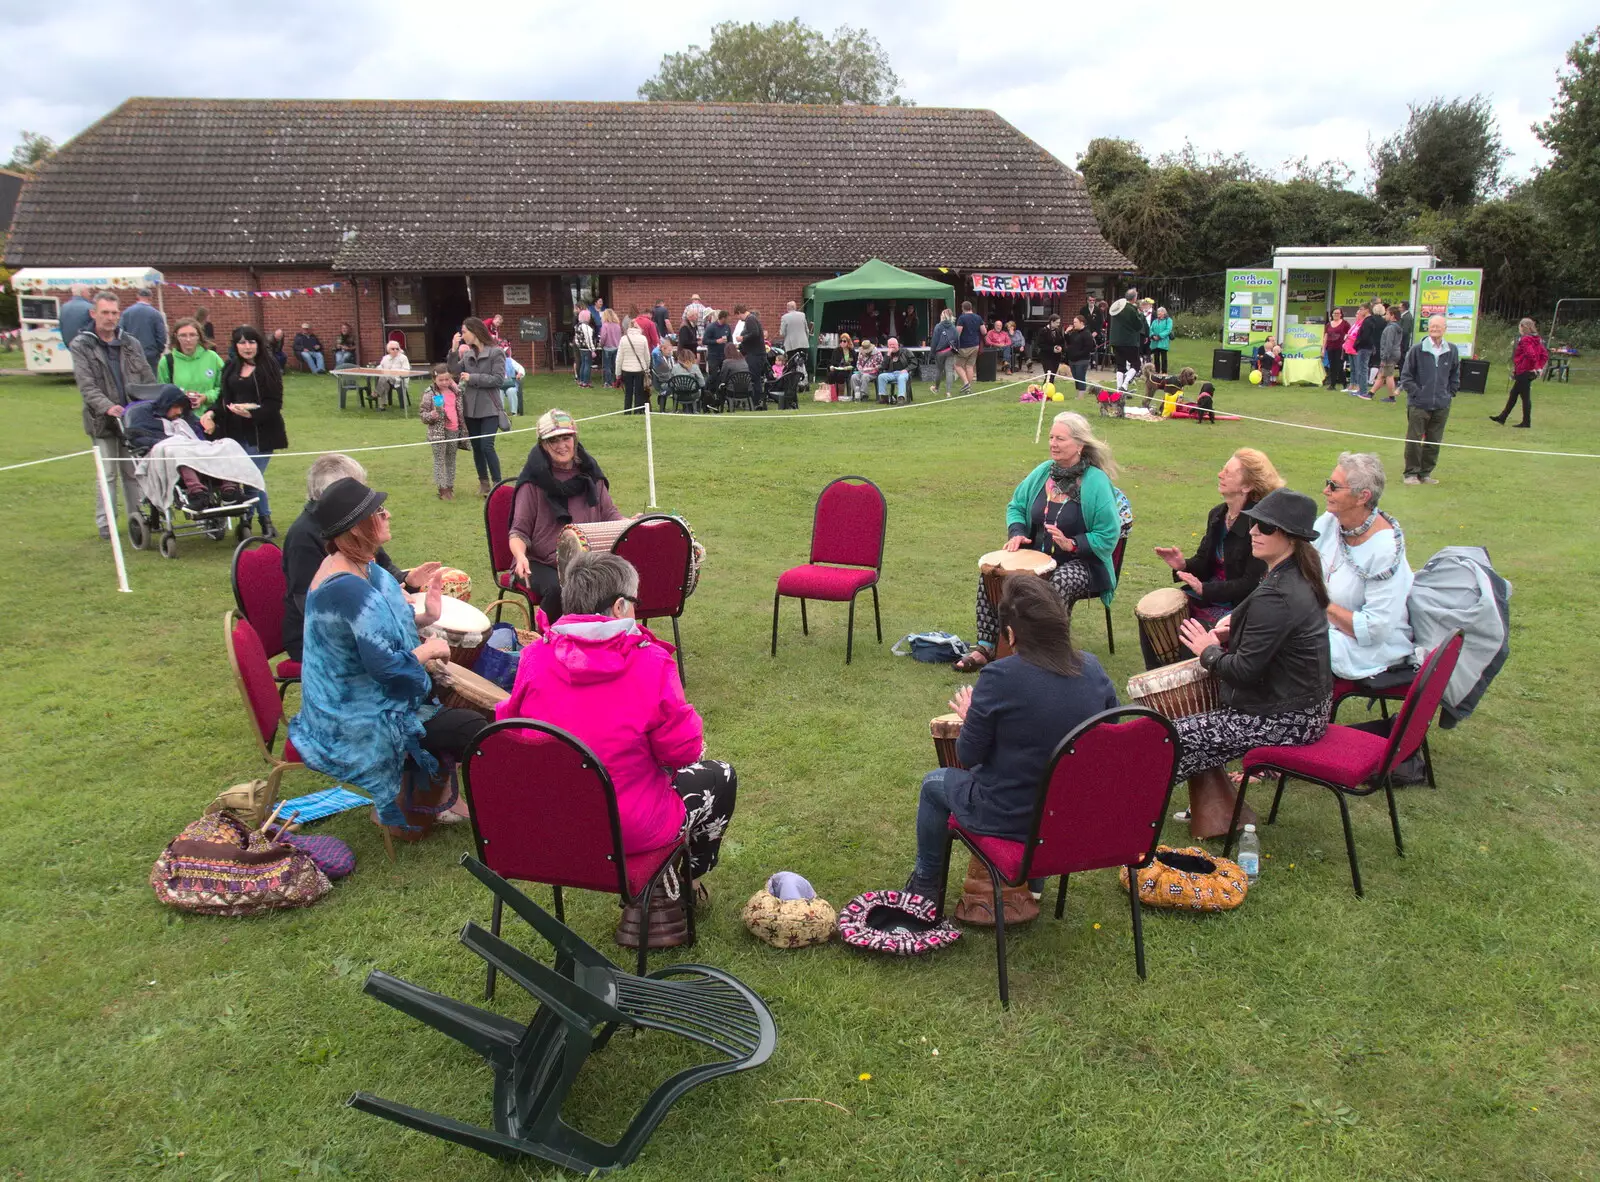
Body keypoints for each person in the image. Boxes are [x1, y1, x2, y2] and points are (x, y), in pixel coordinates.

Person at [496, 552, 737, 915]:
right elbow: (683, 751)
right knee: (720, 776)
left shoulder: (534, 656)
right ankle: (681, 883)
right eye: (636, 602)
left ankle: (663, 887)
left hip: (551, 823)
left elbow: (511, 732)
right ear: (620, 606)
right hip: (630, 827)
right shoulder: (650, 662)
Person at [903, 576, 1120, 899]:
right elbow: (1109, 732)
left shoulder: (999, 677)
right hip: (1071, 815)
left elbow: (968, 755)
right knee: (1044, 777)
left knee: (934, 784)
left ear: (1011, 633)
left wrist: (972, 716)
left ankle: (925, 884)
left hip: (1011, 816)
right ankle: (1034, 886)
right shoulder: (1092, 667)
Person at [287, 478, 475, 841]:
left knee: (459, 700)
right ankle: (431, 801)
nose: (387, 514)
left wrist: (426, 616)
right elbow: (387, 667)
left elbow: (379, 629)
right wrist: (430, 648)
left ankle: (427, 797)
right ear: (357, 527)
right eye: (378, 511)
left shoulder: (360, 567)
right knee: (473, 730)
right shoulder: (346, 587)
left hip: (369, 694)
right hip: (353, 714)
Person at [1172, 488, 1333, 839]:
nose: (1253, 532)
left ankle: (1130, 812)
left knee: (1171, 737)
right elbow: (1277, 640)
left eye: (1265, 527)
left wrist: (1208, 651)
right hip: (1306, 710)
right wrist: (1237, 629)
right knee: (1187, 728)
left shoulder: (1280, 593)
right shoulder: (1294, 575)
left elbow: (1244, 672)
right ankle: (1217, 811)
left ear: (1291, 537)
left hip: (1284, 720)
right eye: (1253, 523)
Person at [954, 412, 1122, 672]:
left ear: (1079, 445)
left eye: (1061, 439)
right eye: (1051, 437)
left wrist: (1074, 544)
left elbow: (1109, 533)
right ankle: (986, 646)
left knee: (1059, 582)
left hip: (1083, 562)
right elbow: (1016, 505)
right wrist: (1018, 532)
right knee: (992, 572)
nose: (1053, 443)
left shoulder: (1096, 482)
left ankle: (1047, 653)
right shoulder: (1043, 473)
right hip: (1037, 555)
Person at [282, 453, 433, 663]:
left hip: (360, 622)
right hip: (321, 639)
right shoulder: (304, 538)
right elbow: (309, 606)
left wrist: (408, 581)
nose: (366, 496)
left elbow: (382, 568)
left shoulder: (355, 531)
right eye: (358, 490)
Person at [1149, 448, 1283, 668]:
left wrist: (1205, 589)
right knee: (1155, 616)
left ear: (1247, 486)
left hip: (1239, 606)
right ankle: (1154, 678)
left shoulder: (1259, 524)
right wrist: (1183, 565)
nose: (1220, 474)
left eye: (1228, 472)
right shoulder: (1219, 514)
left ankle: (1195, 687)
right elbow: (1204, 564)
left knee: (1192, 629)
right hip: (1210, 594)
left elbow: (1251, 584)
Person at [506, 409, 624, 624]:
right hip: (539, 562)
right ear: (543, 444)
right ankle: (548, 642)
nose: (562, 446)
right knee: (560, 588)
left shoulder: (590, 475)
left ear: (575, 438)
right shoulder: (533, 483)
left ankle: (600, 642)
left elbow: (610, 514)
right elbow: (518, 532)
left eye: (566, 438)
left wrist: (630, 524)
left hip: (586, 563)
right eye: (553, 440)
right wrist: (520, 557)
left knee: (615, 584)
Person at [1314, 452, 1414, 680]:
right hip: (1325, 628)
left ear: (1362, 497)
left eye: (1334, 486)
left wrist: (1319, 602)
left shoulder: (1386, 550)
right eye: (1327, 483)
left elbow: (1375, 629)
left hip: (1367, 647)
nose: (1325, 491)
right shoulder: (1330, 522)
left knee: (1291, 646)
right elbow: (1300, 560)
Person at [71, 290, 156, 539]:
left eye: (114, 313)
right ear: (93, 313)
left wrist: (150, 404)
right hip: (102, 420)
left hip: (131, 419)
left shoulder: (131, 343)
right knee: (107, 474)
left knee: (133, 473)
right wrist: (107, 406)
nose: (110, 318)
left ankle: (136, 520)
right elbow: (86, 385)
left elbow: (146, 378)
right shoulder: (82, 345)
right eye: (105, 312)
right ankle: (106, 524)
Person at [214, 325, 287, 538]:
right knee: (251, 476)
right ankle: (263, 522)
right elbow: (223, 398)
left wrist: (252, 414)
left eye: (251, 342)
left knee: (253, 476)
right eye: (242, 342)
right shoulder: (231, 367)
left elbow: (275, 403)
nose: (247, 347)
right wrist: (213, 413)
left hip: (262, 432)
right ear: (235, 346)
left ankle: (252, 519)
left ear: (258, 344)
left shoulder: (268, 367)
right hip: (235, 432)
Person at [447, 317, 507, 495]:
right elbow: (453, 371)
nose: (463, 335)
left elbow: (498, 379)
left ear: (475, 331)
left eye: (465, 332)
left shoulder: (496, 353)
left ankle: (497, 483)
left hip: (490, 407)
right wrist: (453, 350)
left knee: (486, 445)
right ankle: (484, 483)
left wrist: (473, 378)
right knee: (477, 448)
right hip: (470, 409)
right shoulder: (467, 355)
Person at [1399, 315, 1459, 486]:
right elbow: (1406, 377)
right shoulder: (1417, 349)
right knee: (1414, 440)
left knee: (1434, 441)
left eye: (1438, 327)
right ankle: (1411, 473)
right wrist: (1418, 393)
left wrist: (1450, 393)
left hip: (1441, 404)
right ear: (1428, 328)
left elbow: (1455, 374)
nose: (1435, 329)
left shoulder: (1452, 350)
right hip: (1418, 404)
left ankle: (1425, 473)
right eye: (1432, 326)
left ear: (1445, 329)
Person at [1491, 318, 1547, 429]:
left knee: (1525, 397)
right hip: (1527, 371)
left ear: (1523, 327)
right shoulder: (1537, 339)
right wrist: (1539, 367)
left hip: (1524, 371)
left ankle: (1526, 422)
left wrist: (1535, 367)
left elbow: (1530, 354)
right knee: (1514, 394)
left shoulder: (1525, 340)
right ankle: (1502, 417)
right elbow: (1544, 355)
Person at [158, 317, 224, 410]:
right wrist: (181, 399)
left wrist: (206, 397)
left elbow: (223, 388)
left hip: (209, 416)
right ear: (176, 336)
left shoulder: (213, 358)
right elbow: (162, 393)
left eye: (192, 335)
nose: (188, 339)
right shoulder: (167, 362)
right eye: (183, 335)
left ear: (199, 336)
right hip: (180, 418)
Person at [419, 363, 461, 500]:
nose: (444, 382)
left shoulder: (456, 391)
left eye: (447, 379)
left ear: (451, 379)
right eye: (441, 380)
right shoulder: (429, 393)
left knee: (451, 460)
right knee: (439, 460)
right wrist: (432, 415)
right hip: (437, 433)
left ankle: (450, 487)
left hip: (454, 430)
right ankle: (442, 490)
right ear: (434, 379)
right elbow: (423, 415)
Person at [120, 287, 168, 372]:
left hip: (131, 354)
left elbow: (120, 333)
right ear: (151, 298)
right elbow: (161, 335)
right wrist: (159, 351)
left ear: (137, 296)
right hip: (150, 354)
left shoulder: (126, 313)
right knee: (152, 381)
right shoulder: (155, 314)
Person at [1108, 288, 1145, 392]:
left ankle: (1118, 390)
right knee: (1136, 364)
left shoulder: (1117, 308)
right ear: (1134, 298)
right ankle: (1124, 385)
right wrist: (1141, 314)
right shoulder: (1131, 309)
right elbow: (1138, 326)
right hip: (1129, 342)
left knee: (1120, 366)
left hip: (1115, 341)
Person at [617, 315, 652, 414]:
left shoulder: (623, 339)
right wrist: (647, 369)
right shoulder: (643, 339)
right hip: (639, 369)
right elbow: (647, 356)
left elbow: (619, 358)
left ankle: (627, 411)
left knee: (628, 393)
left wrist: (617, 373)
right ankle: (637, 411)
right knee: (639, 392)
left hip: (626, 369)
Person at [1353, 300, 1386, 399]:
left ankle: (1362, 390)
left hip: (1365, 347)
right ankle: (1361, 389)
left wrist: (1358, 344)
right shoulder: (1375, 320)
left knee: (1362, 369)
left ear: (1367, 310)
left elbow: (1365, 335)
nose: (1359, 311)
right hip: (1368, 347)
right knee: (1362, 368)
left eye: (1361, 309)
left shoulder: (1368, 320)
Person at [779, 300, 810, 405]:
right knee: (802, 363)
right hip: (803, 343)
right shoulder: (802, 315)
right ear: (795, 307)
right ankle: (804, 382)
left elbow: (782, 333)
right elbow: (807, 330)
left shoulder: (785, 317)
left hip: (791, 345)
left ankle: (794, 385)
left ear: (787, 308)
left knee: (792, 366)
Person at [954, 300, 985, 395]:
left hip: (964, 345)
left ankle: (966, 383)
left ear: (963, 308)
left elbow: (958, 332)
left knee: (957, 365)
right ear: (971, 308)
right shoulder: (978, 317)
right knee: (970, 366)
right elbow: (984, 331)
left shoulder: (962, 318)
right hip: (975, 345)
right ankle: (968, 389)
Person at [1374, 306, 1403, 403]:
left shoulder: (1391, 328)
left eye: (1387, 313)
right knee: (1382, 374)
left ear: (1392, 316)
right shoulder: (1396, 327)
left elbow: (1388, 344)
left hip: (1390, 355)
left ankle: (1392, 397)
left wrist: (1384, 358)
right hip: (1395, 353)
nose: (1385, 316)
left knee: (1389, 375)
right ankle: (1370, 393)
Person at [739, 307, 767, 406]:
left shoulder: (750, 319)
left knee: (755, 379)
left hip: (755, 355)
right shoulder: (751, 320)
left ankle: (756, 401)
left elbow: (754, 333)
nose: (739, 318)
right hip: (754, 354)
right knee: (755, 378)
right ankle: (755, 400)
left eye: (738, 315)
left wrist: (742, 338)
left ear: (739, 312)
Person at [373, 339, 411, 411]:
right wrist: (378, 368)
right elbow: (380, 366)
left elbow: (406, 370)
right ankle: (382, 406)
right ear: (388, 350)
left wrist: (394, 372)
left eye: (397, 349)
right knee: (384, 382)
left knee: (383, 378)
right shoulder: (385, 358)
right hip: (388, 380)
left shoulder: (403, 358)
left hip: (399, 380)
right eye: (393, 349)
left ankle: (376, 394)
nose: (395, 350)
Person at [930, 308, 959, 397]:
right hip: (950, 351)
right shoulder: (953, 327)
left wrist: (932, 352)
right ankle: (948, 392)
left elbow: (934, 341)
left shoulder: (938, 326)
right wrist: (957, 350)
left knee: (939, 370)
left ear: (942, 316)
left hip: (940, 352)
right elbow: (957, 340)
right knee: (949, 371)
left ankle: (936, 388)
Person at [1064, 314, 1095, 395]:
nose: (1074, 324)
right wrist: (1066, 333)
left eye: (1075, 322)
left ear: (1081, 323)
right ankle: (1079, 392)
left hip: (1082, 359)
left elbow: (1088, 348)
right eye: (1073, 322)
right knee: (1075, 377)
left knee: (1080, 377)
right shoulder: (1074, 332)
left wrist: (1078, 354)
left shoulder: (1087, 333)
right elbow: (1069, 342)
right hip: (1072, 359)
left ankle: (1081, 396)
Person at [876, 337, 913, 403]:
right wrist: (888, 355)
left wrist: (907, 369)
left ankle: (901, 398)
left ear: (897, 344)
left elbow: (914, 362)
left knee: (901, 378)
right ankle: (883, 397)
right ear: (888, 346)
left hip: (903, 373)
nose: (892, 346)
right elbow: (883, 366)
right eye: (890, 345)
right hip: (892, 373)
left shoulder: (906, 351)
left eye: (893, 344)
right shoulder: (888, 354)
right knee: (881, 376)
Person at [1322, 308, 1350, 390]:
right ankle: (1332, 385)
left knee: (1339, 366)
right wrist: (1323, 349)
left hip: (1340, 348)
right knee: (1332, 366)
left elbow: (1349, 334)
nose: (1336, 315)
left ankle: (1345, 384)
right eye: (1334, 313)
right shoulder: (1328, 324)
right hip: (1330, 348)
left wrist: (1346, 344)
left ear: (1341, 314)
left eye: (1338, 313)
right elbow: (1325, 337)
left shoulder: (1345, 324)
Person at [702, 309, 731, 384]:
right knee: (713, 376)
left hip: (724, 356)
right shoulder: (711, 327)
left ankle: (721, 392)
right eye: (728, 318)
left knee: (725, 375)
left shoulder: (727, 327)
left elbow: (730, 341)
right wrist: (716, 341)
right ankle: (708, 391)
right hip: (713, 356)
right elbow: (704, 341)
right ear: (723, 318)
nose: (729, 320)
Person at [1341, 306, 1365, 393]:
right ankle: (1351, 385)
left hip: (1356, 349)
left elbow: (1358, 337)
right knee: (1352, 368)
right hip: (1349, 348)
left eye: (1358, 313)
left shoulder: (1362, 324)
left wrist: (1349, 337)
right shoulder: (1355, 324)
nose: (1356, 315)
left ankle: (1358, 386)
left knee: (1358, 368)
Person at [1034, 314, 1064, 384]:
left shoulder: (1058, 331)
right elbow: (1040, 344)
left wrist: (1060, 347)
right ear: (1051, 322)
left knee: (1052, 376)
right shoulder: (1043, 331)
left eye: (1059, 322)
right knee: (1048, 376)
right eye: (1057, 322)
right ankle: (1044, 393)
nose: (1058, 324)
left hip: (1056, 357)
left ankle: (1049, 393)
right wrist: (1052, 349)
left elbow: (1062, 342)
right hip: (1046, 357)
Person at [827, 333, 856, 400]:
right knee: (831, 374)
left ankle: (840, 394)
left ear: (848, 342)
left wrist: (847, 367)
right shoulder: (836, 350)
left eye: (844, 341)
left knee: (841, 375)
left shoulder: (852, 351)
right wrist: (831, 366)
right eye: (841, 341)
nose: (842, 342)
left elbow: (854, 364)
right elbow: (832, 362)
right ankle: (832, 394)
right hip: (837, 368)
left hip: (847, 370)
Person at [598, 308, 623, 388]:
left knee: (607, 366)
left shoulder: (605, 325)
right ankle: (615, 381)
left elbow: (603, 337)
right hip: (616, 347)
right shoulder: (617, 325)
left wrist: (601, 344)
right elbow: (619, 336)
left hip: (607, 347)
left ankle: (608, 383)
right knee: (615, 365)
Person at [573, 308, 596, 388]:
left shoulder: (577, 326)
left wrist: (579, 346)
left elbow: (576, 339)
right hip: (587, 349)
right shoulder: (587, 328)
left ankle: (581, 381)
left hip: (581, 348)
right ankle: (586, 382)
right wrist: (592, 350)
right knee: (587, 365)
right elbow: (589, 339)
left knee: (583, 364)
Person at [1149, 306, 1173, 373]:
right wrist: (1153, 335)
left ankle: (1164, 373)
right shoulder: (1155, 321)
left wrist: (1159, 336)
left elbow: (1168, 330)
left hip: (1163, 342)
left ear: (1164, 313)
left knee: (1164, 358)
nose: (1158, 313)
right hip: (1155, 342)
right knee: (1156, 358)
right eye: (1158, 312)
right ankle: (1157, 372)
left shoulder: (1168, 320)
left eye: (1160, 312)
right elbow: (1150, 329)